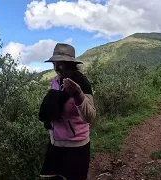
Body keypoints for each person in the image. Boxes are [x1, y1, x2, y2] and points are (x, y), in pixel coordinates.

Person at [39, 43, 96, 180]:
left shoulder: (82, 84)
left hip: (76, 146)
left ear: (71, 64)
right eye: (54, 64)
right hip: (55, 143)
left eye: (61, 64)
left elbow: (90, 116)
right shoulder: (55, 82)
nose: (56, 68)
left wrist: (77, 95)